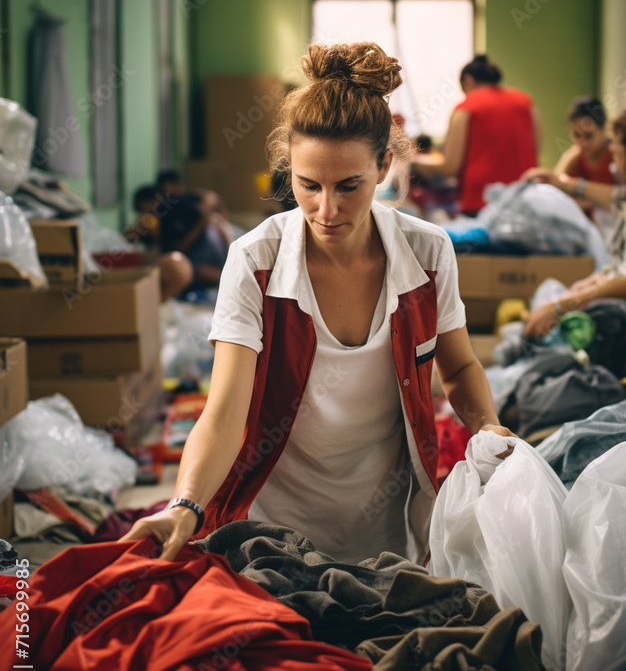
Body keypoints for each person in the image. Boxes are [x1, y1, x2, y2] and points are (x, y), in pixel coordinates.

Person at [122, 42, 512, 564]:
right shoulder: (256, 262)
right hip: (270, 535)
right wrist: (186, 503)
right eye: (309, 186)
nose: (326, 210)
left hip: (390, 529)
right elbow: (223, 413)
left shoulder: (428, 253)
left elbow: (459, 364)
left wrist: (486, 424)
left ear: (385, 166)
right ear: (290, 172)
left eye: (349, 186)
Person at [524, 103, 626, 337]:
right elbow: (617, 198)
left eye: (617, 142)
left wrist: (561, 306)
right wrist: (582, 289)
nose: (614, 148)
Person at [413, 55, 542, 216]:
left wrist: (413, 161)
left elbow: (450, 167)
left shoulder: (466, 108)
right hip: (525, 200)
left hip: (481, 204)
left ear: (468, 80)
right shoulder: (526, 102)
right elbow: (535, 151)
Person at [521, 96, 616, 217]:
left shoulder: (616, 156)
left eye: (588, 136)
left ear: (604, 128)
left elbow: (619, 199)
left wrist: (578, 192)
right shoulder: (576, 156)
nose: (582, 143)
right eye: (577, 135)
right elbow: (554, 187)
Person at [124, 184, 194, 300]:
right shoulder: (151, 221)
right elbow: (128, 239)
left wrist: (184, 245)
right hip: (179, 253)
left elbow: (205, 218)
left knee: (185, 271)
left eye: (144, 208)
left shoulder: (173, 208)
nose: (144, 212)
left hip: (198, 246)